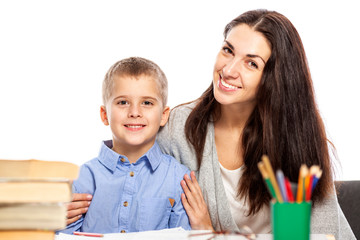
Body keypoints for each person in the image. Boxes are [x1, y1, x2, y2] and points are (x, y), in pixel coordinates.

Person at [66, 10, 355, 239]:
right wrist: (63, 208)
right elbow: (132, 177)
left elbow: (322, 233)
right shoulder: (179, 127)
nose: (228, 70)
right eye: (228, 50)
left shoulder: (298, 136)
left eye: (251, 63)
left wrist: (209, 232)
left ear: (275, 79)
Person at [59, 57, 191, 234]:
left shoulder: (178, 179)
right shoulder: (82, 178)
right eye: (123, 102)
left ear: (163, 115)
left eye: (147, 103)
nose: (135, 112)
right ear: (105, 115)